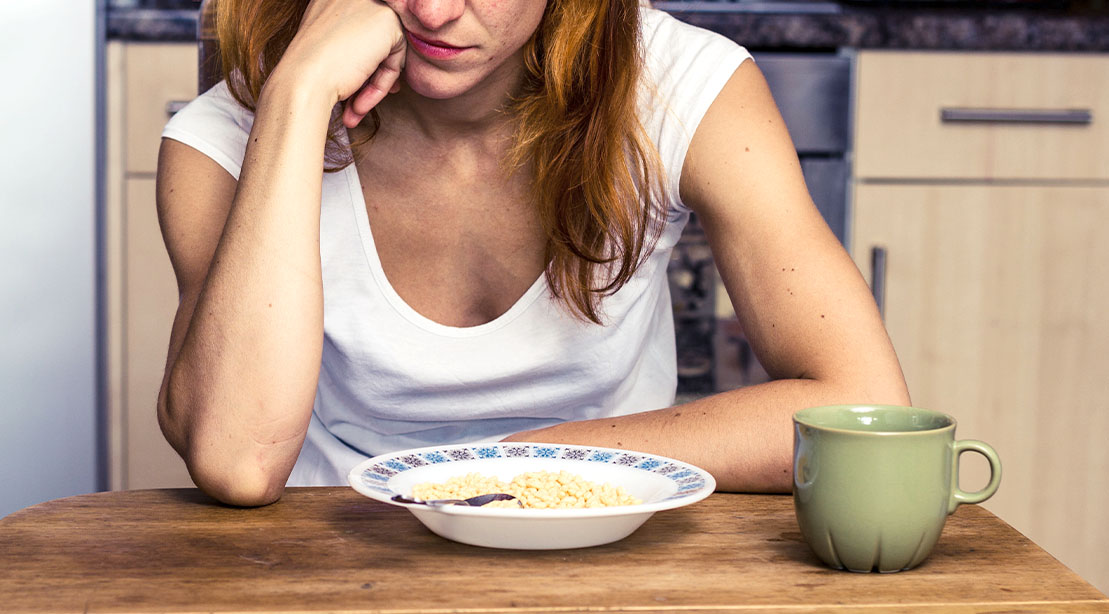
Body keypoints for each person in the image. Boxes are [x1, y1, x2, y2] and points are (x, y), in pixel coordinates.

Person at [155, 0, 910, 507]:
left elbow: (858, 406)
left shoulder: (680, 85)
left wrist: (506, 466)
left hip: (599, 527)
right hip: (331, 550)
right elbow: (236, 461)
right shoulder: (222, 138)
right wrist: (299, 94)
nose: (434, 10)